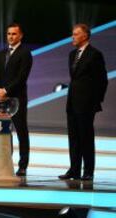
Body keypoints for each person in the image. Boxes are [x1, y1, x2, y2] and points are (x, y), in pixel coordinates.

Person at [59, 24, 108, 181]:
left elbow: (102, 80)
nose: (72, 36)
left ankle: (88, 171)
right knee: (73, 137)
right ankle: (74, 169)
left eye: (76, 34)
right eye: (72, 34)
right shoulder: (72, 54)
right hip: (72, 102)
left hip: (87, 104)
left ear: (85, 36)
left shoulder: (95, 55)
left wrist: (95, 102)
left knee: (86, 137)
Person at [0, 23, 33, 177]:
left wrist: (6, 90)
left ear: (20, 35)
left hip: (17, 99)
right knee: (3, 131)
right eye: (9, 34)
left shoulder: (25, 53)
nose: (11, 36)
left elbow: (22, 77)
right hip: (2, 99)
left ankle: (23, 165)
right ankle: (4, 160)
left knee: (21, 131)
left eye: (14, 34)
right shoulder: (1, 54)